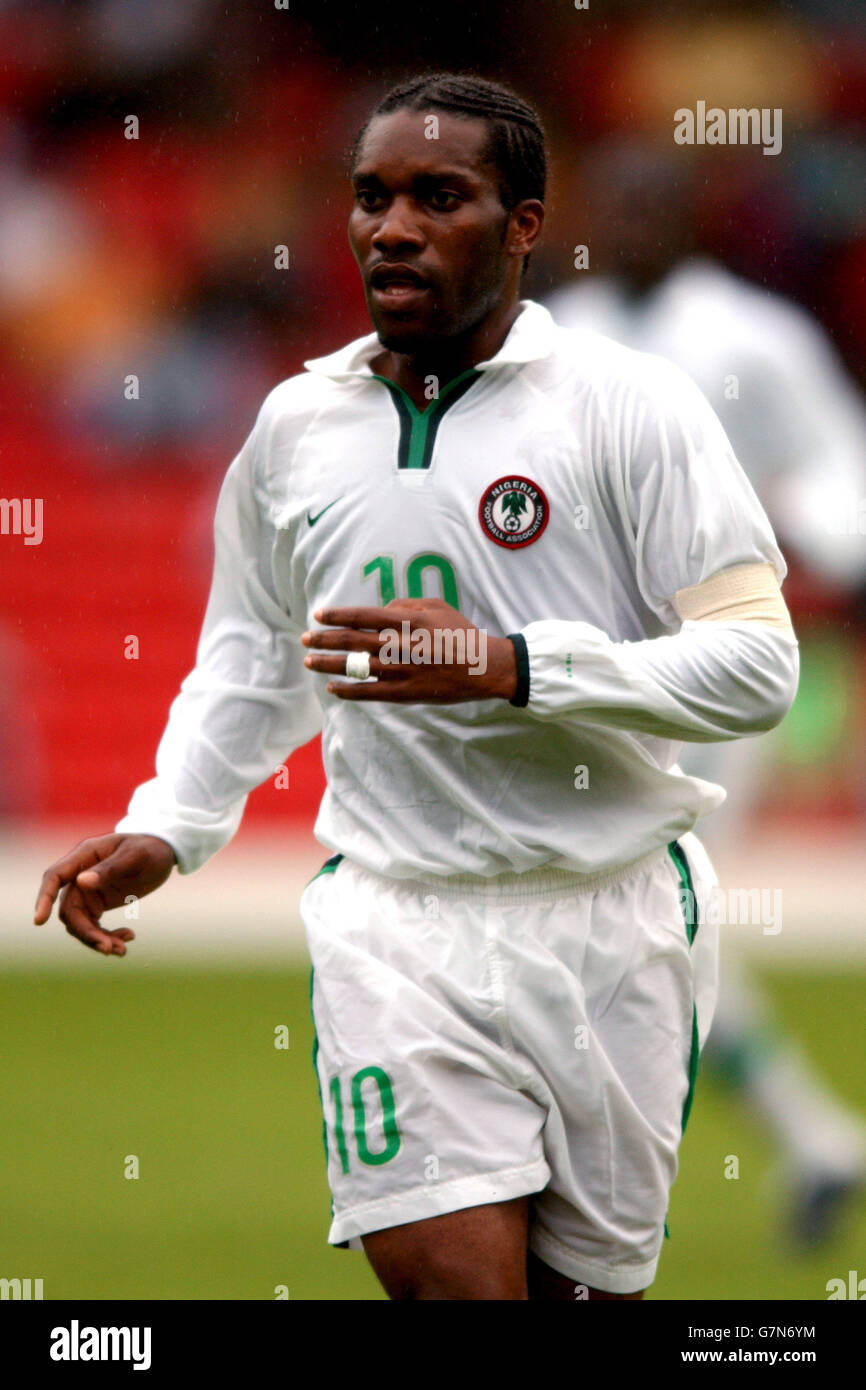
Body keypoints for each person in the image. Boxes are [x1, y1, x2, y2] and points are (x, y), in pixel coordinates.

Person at [34, 74, 799, 1301]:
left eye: (438, 197)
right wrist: (168, 822)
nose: (391, 227)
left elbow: (757, 664)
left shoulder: (627, 408)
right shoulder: (295, 426)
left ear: (523, 223)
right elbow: (252, 650)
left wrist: (510, 665)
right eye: (371, 197)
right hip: (395, 923)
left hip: (612, 922)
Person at [547, 137, 866, 1247]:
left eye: (649, 204)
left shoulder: (753, 340)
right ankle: (813, 1137)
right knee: (644, 921)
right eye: (614, 202)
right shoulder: (561, 333)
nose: (628, 223)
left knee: (646, 904)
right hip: (585, 665)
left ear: (688, 221)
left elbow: (841, 468)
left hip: (710, 660)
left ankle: (576, 1173)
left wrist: (807, 529)